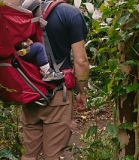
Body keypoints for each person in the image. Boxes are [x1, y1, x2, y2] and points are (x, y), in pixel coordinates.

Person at [20, 0, 89, 159]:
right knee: (53, 155)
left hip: (31, 91)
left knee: (29, 155)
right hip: (58, 93)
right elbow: (81, 61)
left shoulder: (23, 11)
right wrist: (81, 92)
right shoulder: (70, 13)